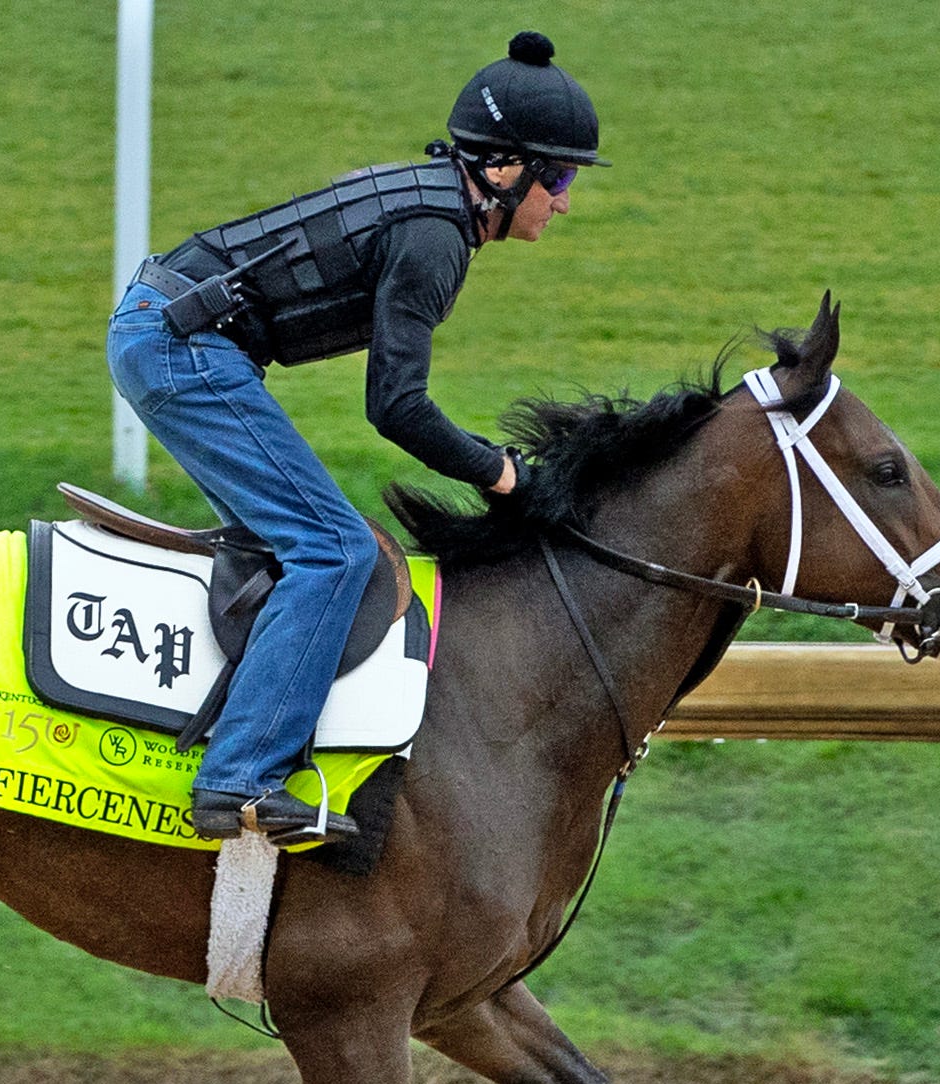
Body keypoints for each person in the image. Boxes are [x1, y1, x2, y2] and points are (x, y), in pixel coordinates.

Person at [106, 30, 604, 849]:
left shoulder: (433, 204)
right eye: (558, 177)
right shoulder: (436, 238)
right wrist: (503, 474)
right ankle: (240, 779)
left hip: (174, 330)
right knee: (334, 550)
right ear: (503, 170)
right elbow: (397, 406)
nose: (566, 199)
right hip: (180, 344)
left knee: (305, 536)